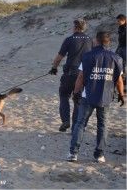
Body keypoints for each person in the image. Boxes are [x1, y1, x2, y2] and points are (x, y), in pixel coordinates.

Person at [67, 31, 124, 163]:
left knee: (80, 124)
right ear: (108, 42)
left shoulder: (87, 56)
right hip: (105, 97)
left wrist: (76, 93)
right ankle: (99, 155)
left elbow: (80, 77)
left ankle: (73, 153)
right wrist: (121, 95)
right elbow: (119, 80)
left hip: (88, 96)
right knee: (102, 125)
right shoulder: (116, 58)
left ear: (96, 41)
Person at [49, 19, 93, 132]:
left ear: (75, 27)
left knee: (64, 95)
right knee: (78, 99)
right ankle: (75, 128)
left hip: (70, 73)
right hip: (83, 74)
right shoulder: (90, 40)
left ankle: (65, 120)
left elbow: (59, 57)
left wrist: (54, 68)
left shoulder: (69, 39)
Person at [115, 14, 126, 90]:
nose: (117, 22)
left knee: (124, 63)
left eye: (119, 21)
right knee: (119, 62)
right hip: (121, 46)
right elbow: (120, 38)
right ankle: (122, 79)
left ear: (124, 20)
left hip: (125, 47)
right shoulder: (120, 27)